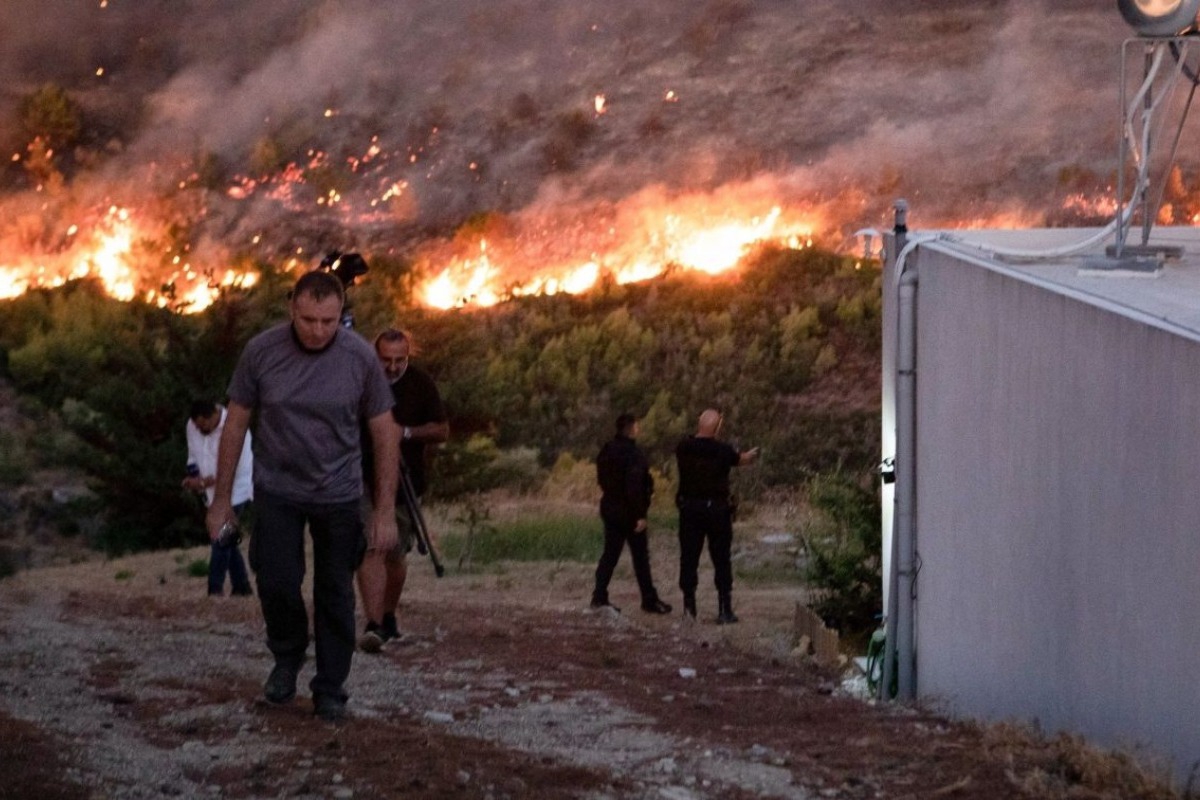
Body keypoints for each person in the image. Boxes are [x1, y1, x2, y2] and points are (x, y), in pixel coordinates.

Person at [205, 269, 399, 723]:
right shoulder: (262, 351)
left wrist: (384, 509)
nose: (317, 331)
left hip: (338, 493)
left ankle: (330, 686)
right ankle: (287, 657)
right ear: (292, 308)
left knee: (334, 590)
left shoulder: (359, 358)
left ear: (341, 315)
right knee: (275, 579)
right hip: (278, 489)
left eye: (328, 321)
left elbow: (384, 432)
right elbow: (235, 423)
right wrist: (221, 502)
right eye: (308, 320)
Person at [356, 328, 449, 653]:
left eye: (400, 360)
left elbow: (441, 429)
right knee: (371, 546)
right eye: (386, 360)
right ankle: (373, 623)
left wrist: (404, 433)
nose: (393, 367)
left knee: (395, 553)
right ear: (375, 355)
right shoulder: (361, 379)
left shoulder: (420, 383)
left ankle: (388, 614)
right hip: (363, 478)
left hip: (403, 480)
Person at [674, 408, 759, 623]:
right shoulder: (723, 450)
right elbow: (740, 460)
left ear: (699, 423)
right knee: (721, 559)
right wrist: (750, 456)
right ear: (718, 427)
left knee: (689, 558)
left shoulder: (683, 447)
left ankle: (689, 609)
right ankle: (724, 609)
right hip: (718, 511)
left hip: (690, 509)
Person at [590, 413, 671, 615]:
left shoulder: (607, 450)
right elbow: (634, 487)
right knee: (640, 557)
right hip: (629, 512)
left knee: (610, 555)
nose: (639, 429)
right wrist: (640, 515)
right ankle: (648, 599)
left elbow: (603, 479)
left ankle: (599, 596)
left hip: (610, 507)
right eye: (637, 426)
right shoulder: (633, 454)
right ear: (631, 428)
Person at [183, 400, 253, 598]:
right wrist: (195, 477)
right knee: (228, 539)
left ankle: (214, 590)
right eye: (197, 426)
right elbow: (193, 455)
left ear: (214, 415)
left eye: (203, 425)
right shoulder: (193, 426)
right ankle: (242, 587)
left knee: (219, 539)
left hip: (236, 491)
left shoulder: (234, 427)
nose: (199, 429)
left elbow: (237, 466)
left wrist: (205, 482)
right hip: (210, 494)